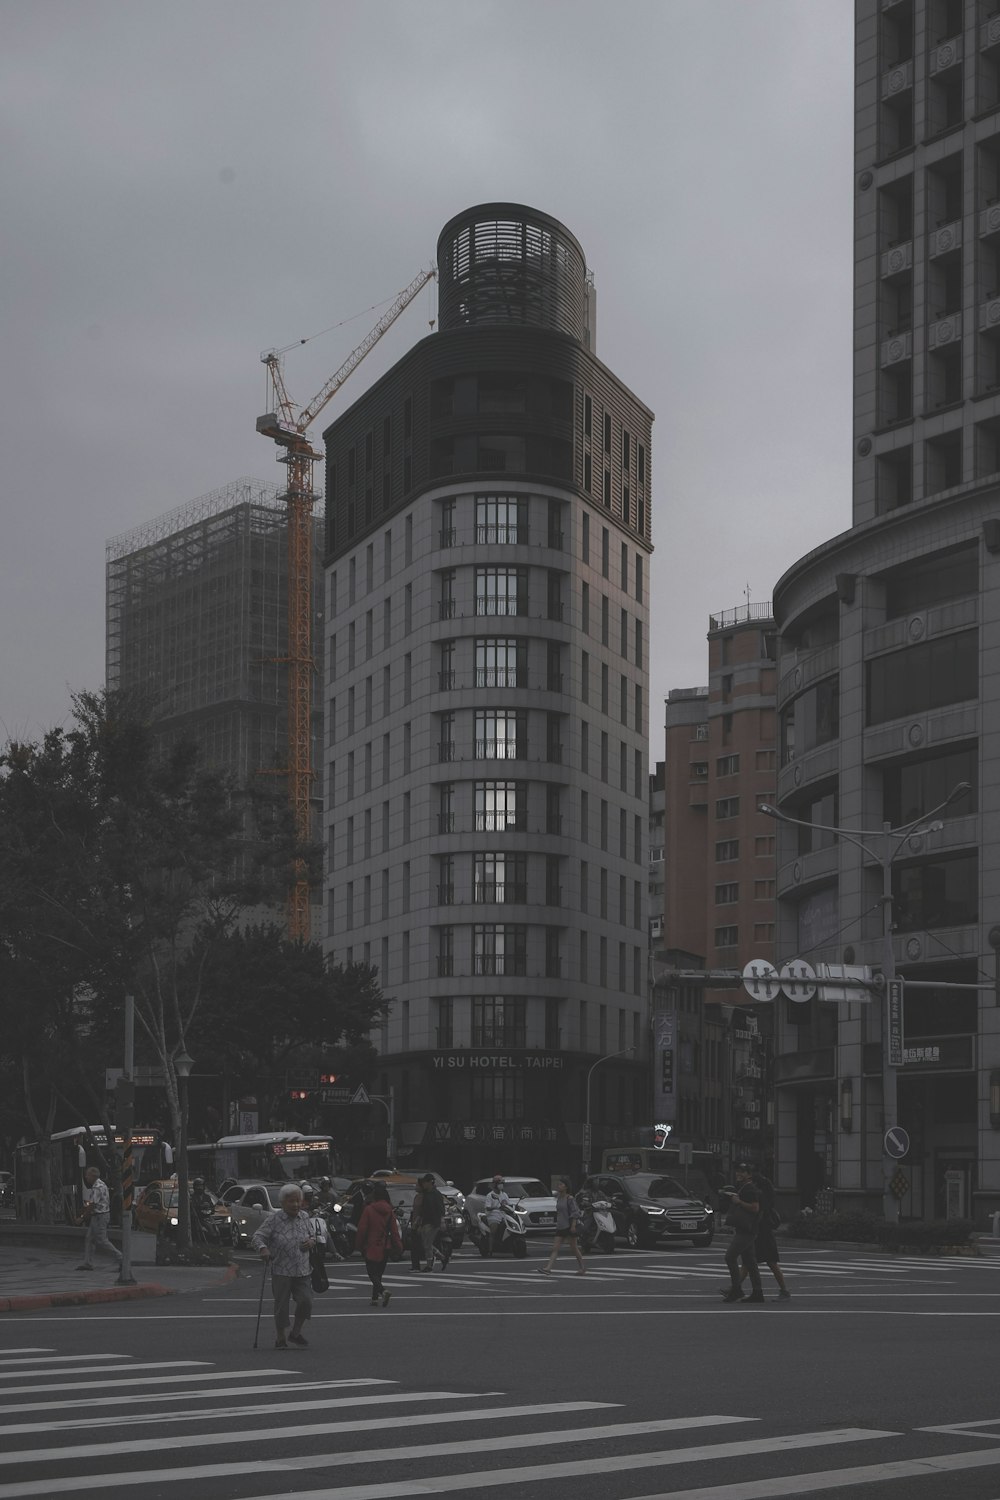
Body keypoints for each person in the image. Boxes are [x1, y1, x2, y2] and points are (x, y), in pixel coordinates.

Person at [251, 1182, 316, 1348]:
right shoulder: (274, 1219)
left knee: (306, 1301)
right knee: (282, 1306)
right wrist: (263, 1249)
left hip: (302, 1269)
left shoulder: (305, 1217)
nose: (295, 1204)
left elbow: (312, 1235)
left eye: (297, 1201)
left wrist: (311, 1242)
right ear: (283, 1203)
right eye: (291, 1201)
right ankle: (280, 1338)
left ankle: (295, 1333)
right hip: (282, 1269)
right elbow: (257, 1237)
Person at [720, 1162, 765, 1304]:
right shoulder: (744, 1187)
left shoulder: (749, 1188)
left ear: (749, 1175)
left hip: (747, 1230)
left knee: (730, 1257)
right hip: (747, 1229)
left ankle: (736, 1290)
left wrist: (738, 1202)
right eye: (738, 1171)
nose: (739, 1174)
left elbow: (755, 1208)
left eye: (743, 1172)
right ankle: (757, 1293)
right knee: (750, 1262)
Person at [743, 1166, 790, 1301]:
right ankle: (735, 1287)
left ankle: (784, 1290)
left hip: (763, 1229)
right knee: (750, 1260)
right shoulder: (760, 1185)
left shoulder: (762, 1187)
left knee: (767, 1261)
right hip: (761, 1228)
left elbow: (762, 1207)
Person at [355, 1180, 401, 1307]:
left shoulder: (369, 1210)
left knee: (372, 1273)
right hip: (385, 1246)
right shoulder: (390, 1211)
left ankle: (383, 1291)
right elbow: (394, 1231)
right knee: (379, 1274)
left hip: (371, 1246)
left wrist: (359, 1245)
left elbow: (362, 1230)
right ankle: (375, 1298)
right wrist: (398, 1247)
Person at [76, 1166, 123, 1272]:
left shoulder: (96, 1187)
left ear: (93, 1176)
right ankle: (88, 1263)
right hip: (100, 1215)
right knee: (89, 1239)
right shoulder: (102, 1184)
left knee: (102, 1240)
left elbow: (92, 1205)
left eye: (87, 1175)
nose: (86, 1177)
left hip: (99, 1216)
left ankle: (121, 1258)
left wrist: (82, 1218)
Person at [538, 1179, 586, 1275]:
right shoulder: (559, 1197)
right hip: (560, 1226)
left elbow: (575, 1213)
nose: (559, 1186)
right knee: (555, 1248)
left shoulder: (570, 1198)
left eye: (561, 1184)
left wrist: (573, 1226)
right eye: (559, 1184)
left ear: (566, 1187)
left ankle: (582, 1268)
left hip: (568, 1226)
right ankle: (548, 1268)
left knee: (574, 1248)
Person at [411, 1173, 446, 1271]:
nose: (424, 1185)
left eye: (425, 1182)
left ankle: (429, 1265)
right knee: (426, 1243)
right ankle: (442, 1257)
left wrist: (441, 1220)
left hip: (434, 1222)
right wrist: (418, 1221)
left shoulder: (436, 1194)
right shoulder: (426, 1194)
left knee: (427, 1244)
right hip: (425, 1221)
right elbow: (423, 1210)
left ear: (430, 1183)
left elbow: (441, 1208)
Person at [483, 1174, 512, 1254]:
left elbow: (508, 1205)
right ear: (495, 1184)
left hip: (503, 1215)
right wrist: (497, 1208)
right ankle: (490, 1250)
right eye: (499, 1183)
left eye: (502, 1183)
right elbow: (488, 1207)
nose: (501, 1185)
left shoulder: (504, 1195)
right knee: (494, 1231)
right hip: (493, 1215)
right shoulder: (490, 1195)